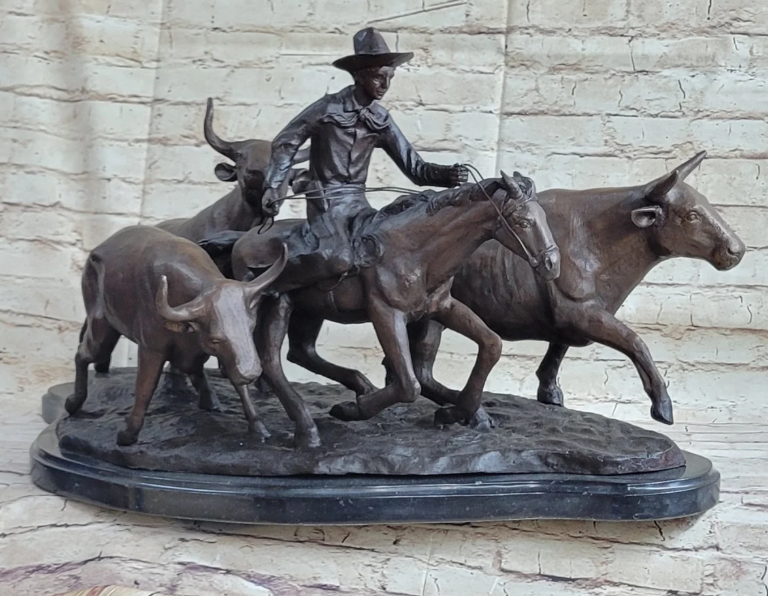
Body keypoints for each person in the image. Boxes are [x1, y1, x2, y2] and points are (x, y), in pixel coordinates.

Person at [261, 27, 468, 287]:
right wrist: (272, 184)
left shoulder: (380, 119)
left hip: (358, 205)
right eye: (379, 77)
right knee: (337, 259)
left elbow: (415, 168)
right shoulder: (328, 108)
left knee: (385, 251)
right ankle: (273, 284)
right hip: (325, 201)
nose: (385, 85)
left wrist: (446, 175)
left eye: (390, 77)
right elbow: (285, 142)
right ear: (360, 76)